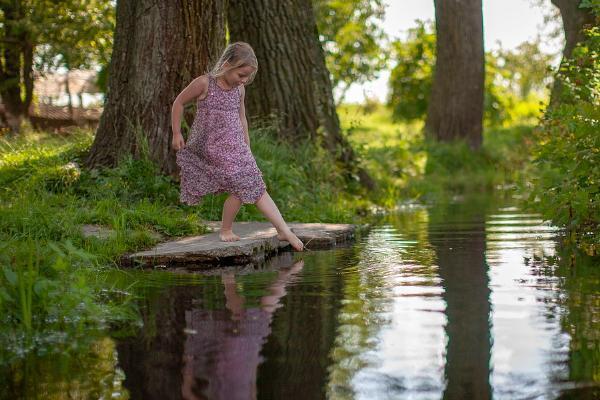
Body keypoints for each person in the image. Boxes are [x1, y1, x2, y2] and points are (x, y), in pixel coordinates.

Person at [171, 42, 303, 251]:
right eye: (241, 75)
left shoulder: (239, 90)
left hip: (237, 147)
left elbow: (242, 118)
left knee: (252, 184)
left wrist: (247, 145)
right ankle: (265, 229)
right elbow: (178, 102)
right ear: (227, 64)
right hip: (213, 146)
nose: (244, 80)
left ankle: (279, 229)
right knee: (242, 182)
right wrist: (177, 132)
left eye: (247, 77)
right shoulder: (205, 83)